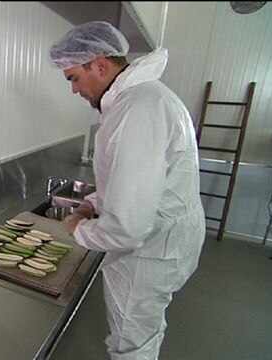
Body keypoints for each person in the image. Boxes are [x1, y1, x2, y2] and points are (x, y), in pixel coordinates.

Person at [49, 21, 206, 360]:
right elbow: (133, 181)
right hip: (166, 240)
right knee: (144, 330)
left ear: (100, 64)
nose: (75, 90)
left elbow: (128, 225)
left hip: (149, 251)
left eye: (74, 77)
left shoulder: (136, 108)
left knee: (132, 343)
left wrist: (81, 230)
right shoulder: (147, 97)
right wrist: (92, 203)